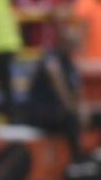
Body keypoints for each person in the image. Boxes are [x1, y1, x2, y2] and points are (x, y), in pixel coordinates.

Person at [23, 17, 89, 165]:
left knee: (97, 116)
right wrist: (73, 109)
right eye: (71, 43)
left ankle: (90, 156)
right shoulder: (51, 58)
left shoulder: (70, 63)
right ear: (62, 42)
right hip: (41, 112)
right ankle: (77, 160)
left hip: (57, 112)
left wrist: (83, 107)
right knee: (71, 118)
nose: (74, 46)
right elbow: (59, 85)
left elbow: (78, 91)